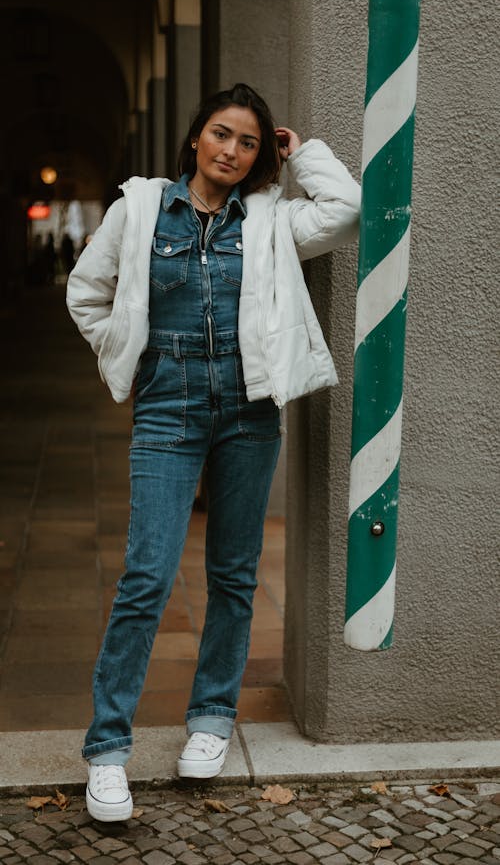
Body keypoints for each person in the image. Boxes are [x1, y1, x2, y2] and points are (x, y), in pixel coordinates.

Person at [66, 82, 361, 822]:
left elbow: (346, 211)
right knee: (147, 573)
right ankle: (107, 749)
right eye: (222, 134)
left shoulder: (269, 221)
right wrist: (130, 360)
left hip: (249, 409)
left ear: (262, 155)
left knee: (233, 574)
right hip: (168, 410)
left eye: (250, 142)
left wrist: (303, 154)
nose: (232, 150)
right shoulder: (138, 210)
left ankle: (210, 718)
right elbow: (87, 292)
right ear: (197, 136)